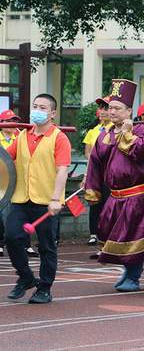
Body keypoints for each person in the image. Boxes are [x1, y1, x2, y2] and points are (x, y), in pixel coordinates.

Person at [84, 79, 144, 292]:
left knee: (133, 235)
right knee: (108, 232)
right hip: (114, 195)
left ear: (129, 111)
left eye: (117, 108)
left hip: (136, 194)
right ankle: (128, 271)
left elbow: (141, 151)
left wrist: (127, 133)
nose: (112, 112)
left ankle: (133, 275)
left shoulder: (141, 129)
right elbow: (95, 163)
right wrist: (93, 188)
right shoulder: (104, 134)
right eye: (110, 108)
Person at [4, 94, 71, 303]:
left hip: (46, 201)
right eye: (35, 106)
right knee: (12, 238)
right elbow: (5, 160)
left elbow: (62, 170)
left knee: (46, 246)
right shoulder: (22, 136)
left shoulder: (59, 138)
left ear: (52, 113)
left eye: (42, 107)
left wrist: (55, 199)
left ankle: (45, 288)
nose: (37, 110)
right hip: (21, 199)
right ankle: (25, 278)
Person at [82, 96, 112, 247]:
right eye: (101, 108)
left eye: (107, 108)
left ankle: (108, 236)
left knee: (109, 203)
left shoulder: (115, 129)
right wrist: (88, 173)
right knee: (94, 202)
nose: (103, 111)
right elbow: (88, 152)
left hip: (110, 174)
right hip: (95, 172)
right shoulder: (93, 131)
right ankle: (94, 233)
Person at [0, 109, 21, 258]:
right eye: (8, 121)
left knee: (14, 211)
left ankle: (23, 244)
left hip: (16, 179)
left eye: (14, 120)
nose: (11, 124)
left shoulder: (21, 136)